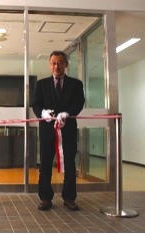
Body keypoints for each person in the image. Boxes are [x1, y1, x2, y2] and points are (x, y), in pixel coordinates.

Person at [32, 50, 85, 211]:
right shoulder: (41, 84)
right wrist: (43, 113)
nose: (57, 66)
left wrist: (67, 113)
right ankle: (45, 198)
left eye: (60, 63)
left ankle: (69, 198)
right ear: (50, 65)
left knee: (70, 164)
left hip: (67, 130)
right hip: (47, 131)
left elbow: (79, 103)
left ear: (66, 64)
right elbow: (36, 104)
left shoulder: (76, 84)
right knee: (46, 165)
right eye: (53, 63)